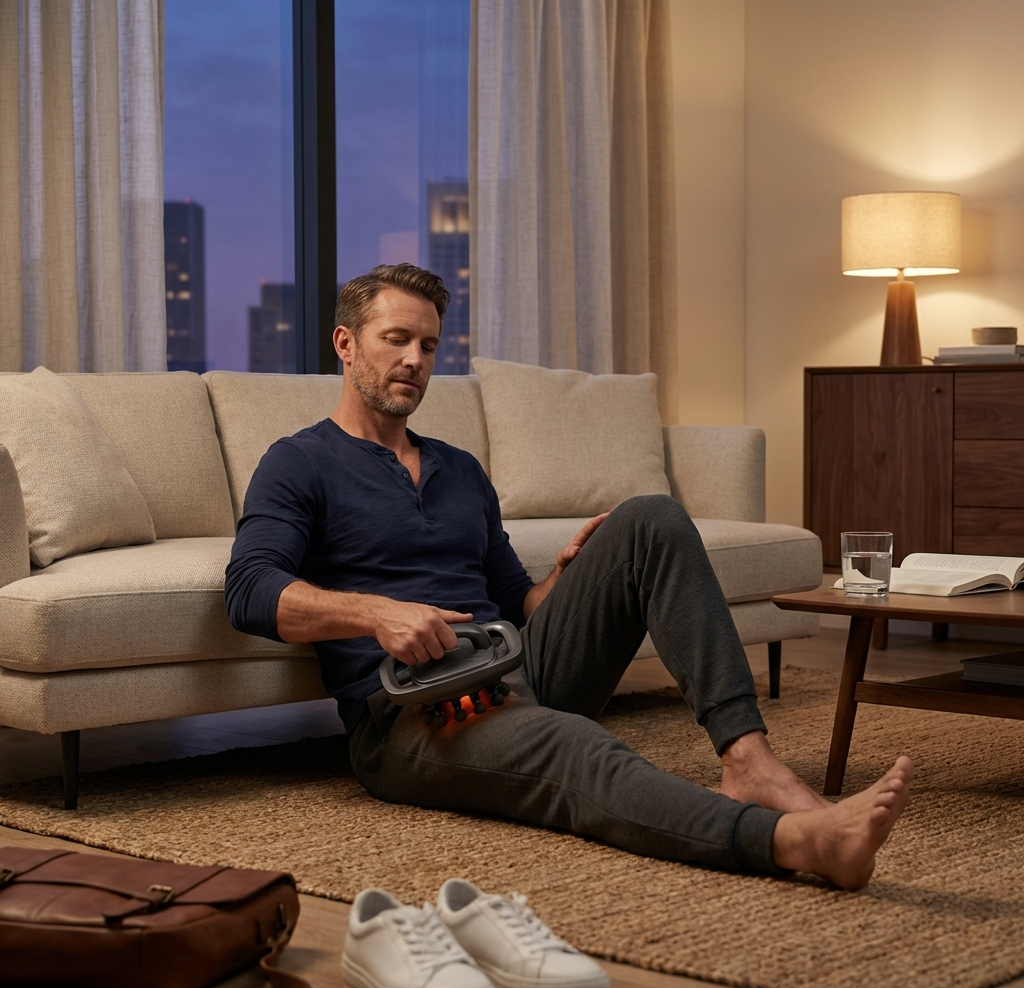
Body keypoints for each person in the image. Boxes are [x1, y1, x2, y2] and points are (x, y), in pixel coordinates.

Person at [226, 263, 913, 891]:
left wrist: (562, 581)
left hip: (512, 663)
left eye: (429, 346)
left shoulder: (458, 468)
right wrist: (377, 613)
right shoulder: (299, 463)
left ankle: (750, 758)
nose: (414, 361)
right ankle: (792, 842)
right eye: (396, 339)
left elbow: (516, 605)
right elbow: (250, 589)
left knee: (650, 518)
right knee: (577, 746)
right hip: (410, 712)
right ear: (346, 344)